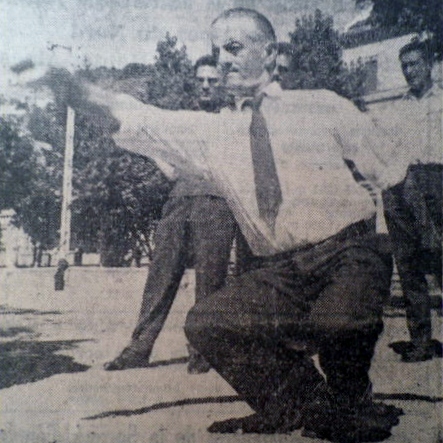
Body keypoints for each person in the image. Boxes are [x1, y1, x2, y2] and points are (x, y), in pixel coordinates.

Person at [87, 8, 405, 440]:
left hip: (349, 254)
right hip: (283, 271)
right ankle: (296, 403)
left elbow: (393, 170)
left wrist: (397, 252)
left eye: (233, 47)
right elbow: (137, 116)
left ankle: (351, 400)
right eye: (216, 51)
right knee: (209, 322)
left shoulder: (321, 105)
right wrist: (63, 85)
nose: (223, 59)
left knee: (338, 328)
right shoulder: (212, 133)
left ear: (269, 52)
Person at [104, 55, 237, 374]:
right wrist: (165, 166)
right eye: (201, 79)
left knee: (211, 279)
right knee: (161, 273)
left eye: (212, 80)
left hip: (217, 201)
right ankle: (139, 347)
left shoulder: (232, 116)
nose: (206, 85)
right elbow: (153, 142)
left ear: (221, 84)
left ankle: (202, 353)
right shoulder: (183, 116)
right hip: (179, 199)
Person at [380, 39, 442, 362]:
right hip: (402, 185)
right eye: (404, 65)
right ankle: (420, 340)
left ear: (429, 64)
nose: (409, 71)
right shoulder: (397, 108)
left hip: (438, 182)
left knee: (441, 259)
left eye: (415, 63)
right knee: (409, 265)